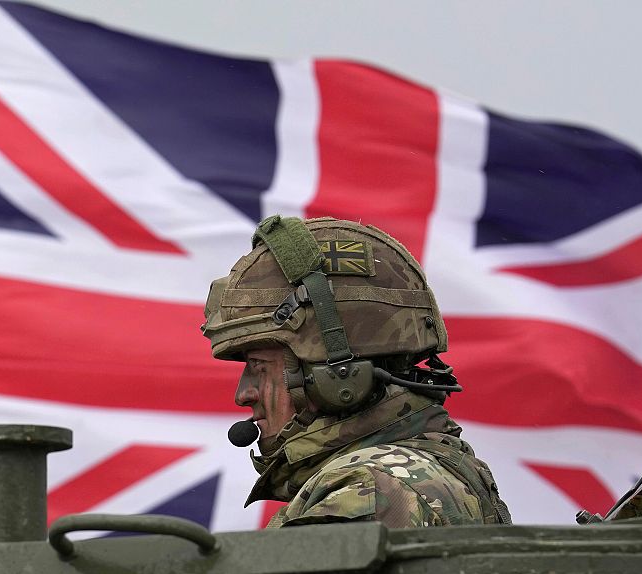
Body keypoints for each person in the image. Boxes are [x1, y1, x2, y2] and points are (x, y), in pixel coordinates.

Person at [202, 215, 511, 528]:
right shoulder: (415, 472)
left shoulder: (369, 491)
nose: (244, 394)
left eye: (259, 367)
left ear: (338, 374)